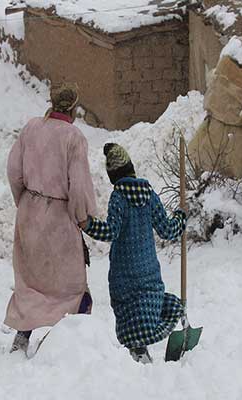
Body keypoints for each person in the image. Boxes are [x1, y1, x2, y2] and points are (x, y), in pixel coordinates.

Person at [5, 83, 97, 353]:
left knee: (31, 281)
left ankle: (22, 338)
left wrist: (24, 202)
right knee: (70, 285)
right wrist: (83, 218)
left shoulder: (31, 127)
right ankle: (69, 343)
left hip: (29, 213)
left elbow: (13, 171)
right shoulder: (74, 137)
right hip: (59, 219)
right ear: (73, 108)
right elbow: (78, 185)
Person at [82, 143, 186, 364]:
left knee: (131, 321)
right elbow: (167, 230)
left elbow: (110, 231)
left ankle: (139, 350)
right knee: (150, 306)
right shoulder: (149, 194)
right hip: (148, 271)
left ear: (113, 177)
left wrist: (87, 224)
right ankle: (176, 316)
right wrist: (181, 217)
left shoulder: (118, 197)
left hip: (124, 274)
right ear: (131, 169)